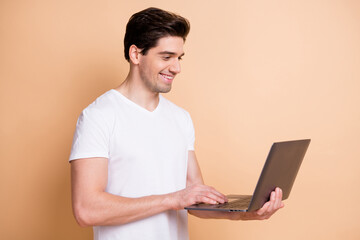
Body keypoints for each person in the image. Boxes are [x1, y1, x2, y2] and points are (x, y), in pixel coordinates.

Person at [69, 7, 284, 240]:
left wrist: (245, 213)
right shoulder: (98, 116)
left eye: (178, 58)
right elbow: (86, 210)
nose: (176, 68)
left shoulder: (180, 118)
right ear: (136, 54)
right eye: (166, 57)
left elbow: (194, 200)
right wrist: (172, 199)